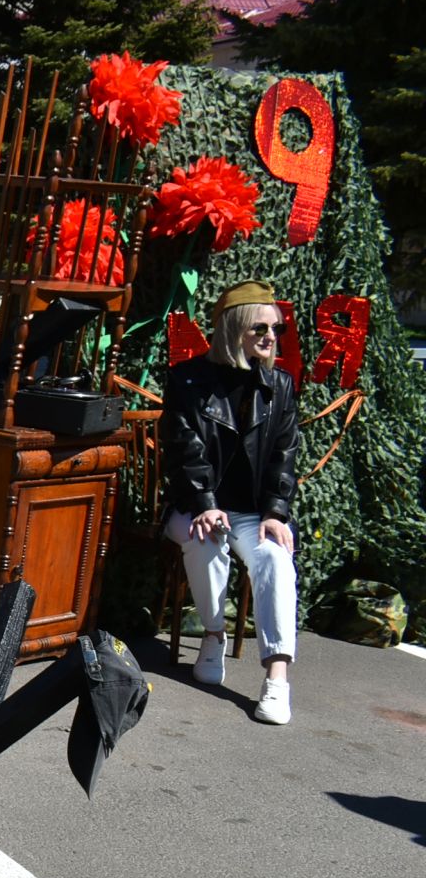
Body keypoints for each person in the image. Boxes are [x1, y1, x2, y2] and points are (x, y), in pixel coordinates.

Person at [161, 280, 300, 725]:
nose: (269, 337)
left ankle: (276, 678)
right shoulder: (187, 380)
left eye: (275, 329)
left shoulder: (279, 385)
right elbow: (183, 448)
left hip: (252, 514)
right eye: (259, 327)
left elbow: (284, 455)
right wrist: (204, 502)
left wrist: (277, 514)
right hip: (193, 504)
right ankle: (214, 634)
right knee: (204, 541)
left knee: (276, 559)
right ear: (233, 327)